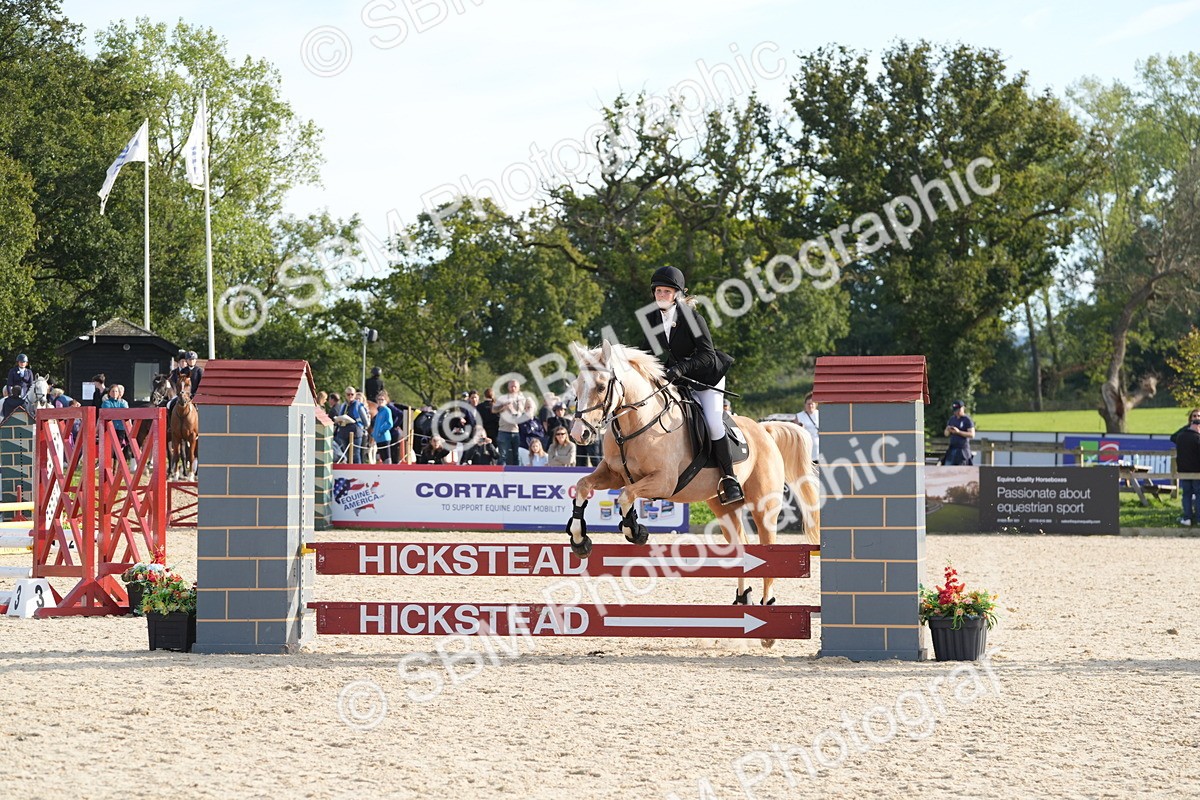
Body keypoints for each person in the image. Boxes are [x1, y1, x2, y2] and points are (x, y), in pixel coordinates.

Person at [640, 265, 742, 504]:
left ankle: (729, 478)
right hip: (681, 377)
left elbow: (706, 354)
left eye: (666, 291)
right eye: (658, 291)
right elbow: (648, 352)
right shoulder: (652, 318)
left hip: (707, 376)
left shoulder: (692, 317)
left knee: (714, 423)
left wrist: (680, 368)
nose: (661, 296)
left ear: (676, 294)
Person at [493, 378, 534, 466]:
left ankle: (517, 475)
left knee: (517, 455)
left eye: (515, 386)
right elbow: (493, 410)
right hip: (503, 430)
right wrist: (503, 407)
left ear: (518, 388)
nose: (513, 388)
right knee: (503, 456)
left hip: (516, 431)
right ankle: (501, 476)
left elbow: (530, 412)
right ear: (508, 387)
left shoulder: (523, 399)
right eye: (511, 386)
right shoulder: (503, 398)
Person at [1173, 410, 1200, 526]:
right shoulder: (1198, 438)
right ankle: (1199, 519)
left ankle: (1187, 518)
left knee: (1186, 495)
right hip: (1197, 471)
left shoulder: (1180, 437)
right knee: (1198, 495)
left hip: (1184, 471)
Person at [942, 400, 975, 466]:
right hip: (952, 450)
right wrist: (948, 430)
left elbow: (972, 435)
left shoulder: (967, 420)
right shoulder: (952, 419)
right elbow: (946, 434)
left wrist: (958, 432)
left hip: (962, 451)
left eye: (958, 410)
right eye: (955, 410)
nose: (956, 412)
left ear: (963, 408)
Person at [371, 390, 394, 464]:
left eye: (382, 399)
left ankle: (389, 470)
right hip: (378, 438)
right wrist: (374, 434)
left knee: (387, 457)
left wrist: (381, 430)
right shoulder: (379, 411)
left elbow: (389, 423)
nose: (380, 401)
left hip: (384, 437)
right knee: (381, 457)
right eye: (379, 399)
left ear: (386, 401)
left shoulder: (387, 410)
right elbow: (376, 425)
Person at [797, 392, 820, 460]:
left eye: (812, 404)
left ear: (815, 404)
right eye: (808, 404)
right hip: (806, 447)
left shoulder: (820, 414)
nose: (810, 406)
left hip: (818, 449)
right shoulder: (799, 416)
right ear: (805, 405)